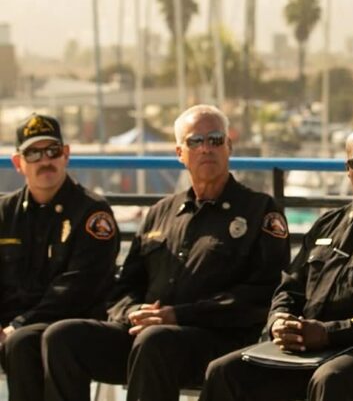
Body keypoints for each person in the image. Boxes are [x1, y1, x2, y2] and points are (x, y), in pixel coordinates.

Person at [42, 105, 291, 401]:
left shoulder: (259, 210)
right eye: (195, 141)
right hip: (149, 337)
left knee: (155, 341)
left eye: (215, 139)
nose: (206, 148)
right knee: (61, 337)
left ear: (229, 146)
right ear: (179, 153)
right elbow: (124, 287)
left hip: (218, 341)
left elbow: (263, 294)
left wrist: (178, 315)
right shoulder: (161, 212)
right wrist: (134, 313)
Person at [199, 126, 353, 401]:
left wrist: (328, 333)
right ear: (348, 169)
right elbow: (290, 286)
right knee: (224, 372)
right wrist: (279, 320)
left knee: (330, 379)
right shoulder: (327, 224)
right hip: (307, 344)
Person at [0, 113, 120, 401]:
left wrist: (18, 324)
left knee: (23, 342)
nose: (45, 161)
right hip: (13, 326)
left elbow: (78, 288)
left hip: (68, 324)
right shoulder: (5, 213)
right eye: (33, 153)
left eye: (52, 151)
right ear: (18, 163)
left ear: (66, 154)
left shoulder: (92, 212)